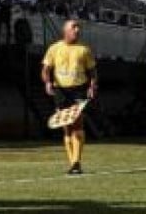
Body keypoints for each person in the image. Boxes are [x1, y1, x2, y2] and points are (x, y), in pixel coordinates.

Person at [42, 20, 97, 176]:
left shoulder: (84, 50)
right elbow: (46, 70)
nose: (77, 30)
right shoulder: (54, 48)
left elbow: (92, 71)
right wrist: (47, 83)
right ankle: (72, 163)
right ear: (65, 30)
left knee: (77, 123)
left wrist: (93, 86)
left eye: (78, 27)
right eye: (74, 27)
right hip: (60, 90)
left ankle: (76, 162)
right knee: (66, 126)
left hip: (78, 90)